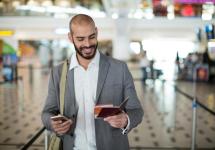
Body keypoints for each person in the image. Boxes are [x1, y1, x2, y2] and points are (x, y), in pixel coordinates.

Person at [41, 14, 143, 150]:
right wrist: (52, 124)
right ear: (70, 38)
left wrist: (126, 120)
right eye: (80, 39)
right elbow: (47, 112)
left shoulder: (119, 68)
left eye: (91, 37)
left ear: (97, 32)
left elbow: (136, 110)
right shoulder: (58, 72)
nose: (87, 44)